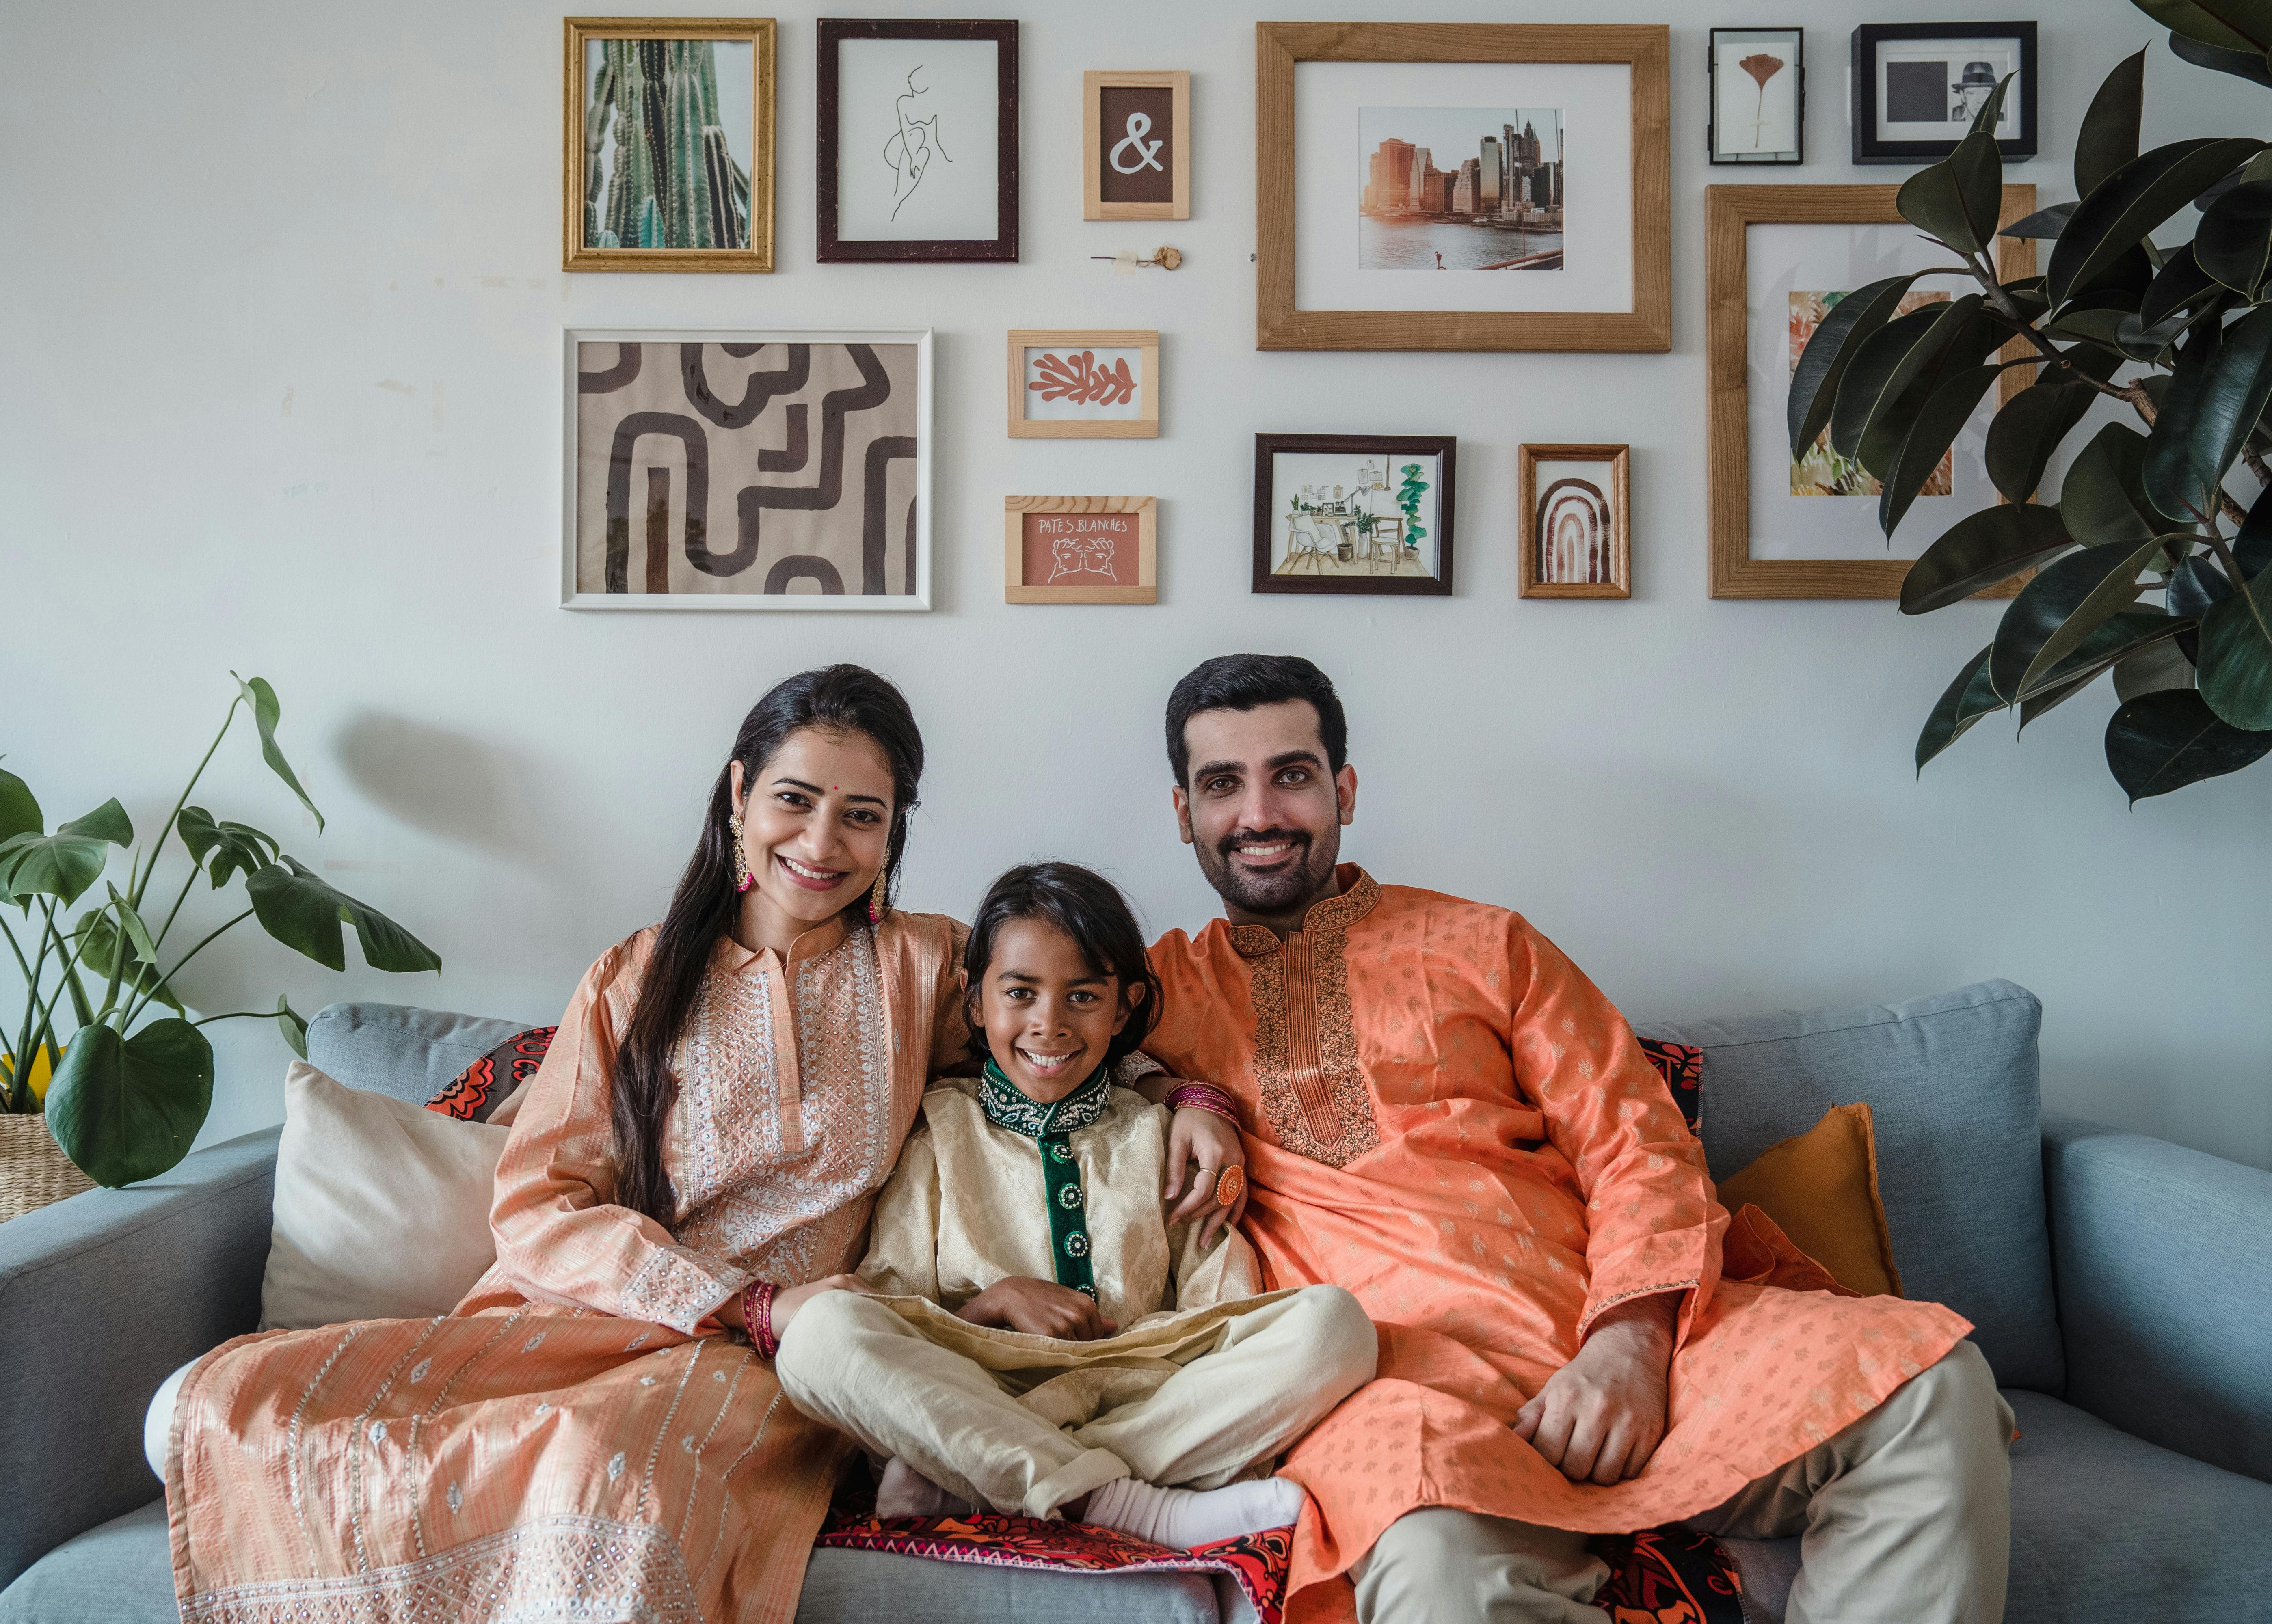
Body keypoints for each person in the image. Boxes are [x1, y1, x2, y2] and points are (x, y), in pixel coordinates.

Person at [155, 665, 1247, 1624]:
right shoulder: (633, 979)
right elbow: (539, 1207)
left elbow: (1056, 1032)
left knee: (602, 1474)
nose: (821, 845)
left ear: (893, 832)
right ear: (737, 793)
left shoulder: (923, 968)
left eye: (861, 817)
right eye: (795, 800)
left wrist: (1190, 1094)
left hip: (779, 1362)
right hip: (594, 1320)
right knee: (209, 1408)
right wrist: (724, 1295)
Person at [1140, 654, 2015, 1624]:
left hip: (1634, 1343)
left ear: (1342, 789)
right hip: (1400, 1392)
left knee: (1929, 1383)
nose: (1259, 812)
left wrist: (1628, 1344)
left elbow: (1633, 1136)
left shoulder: (1487, 944)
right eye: (1222, 783)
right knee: (1436, 1568)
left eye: (1291, 774)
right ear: (1183, 811)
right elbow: (1005, 1037)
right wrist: (1174, 1087)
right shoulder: (1146, 995)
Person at [774, 862, 1376, 1549]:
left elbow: (1217, 1296)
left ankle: (990, 1474)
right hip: (983, 1385)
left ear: (1123, 1009)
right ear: (975, 1004)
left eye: (1082, 997)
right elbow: (891, 1303)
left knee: (1337, 1327)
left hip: (1146, 1387)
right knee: (819, 1335)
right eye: (1020, 993)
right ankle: (1138, 1507)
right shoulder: (941, 1127)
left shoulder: (1158, 1133)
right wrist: (993, 1302)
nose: (1049, 1024)